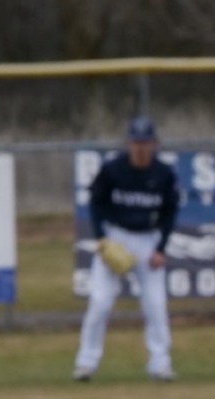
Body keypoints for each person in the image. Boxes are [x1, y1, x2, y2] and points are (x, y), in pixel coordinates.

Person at [74, 115, 180, 383]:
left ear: (154, 144)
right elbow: (96, 202)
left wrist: (161, 248)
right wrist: (102, 239)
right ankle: (86, 363)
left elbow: (170, 212)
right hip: (116, 236)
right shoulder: (113, 169)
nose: (140, 147)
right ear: (128, 143)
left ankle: (160, 363)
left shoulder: (163, 174)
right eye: (136, 142)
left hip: (147, 240)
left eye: (145, 142)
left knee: (155, 305)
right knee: (100, 302)